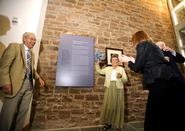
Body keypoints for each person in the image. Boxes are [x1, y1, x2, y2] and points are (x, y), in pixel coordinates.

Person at [121, 31, 178, 131]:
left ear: (137, 39)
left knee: (152, 113)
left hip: (159, 81)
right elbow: (149, 66)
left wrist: (128, 61)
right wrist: (133, 61)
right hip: (166, 80)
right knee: (163, 112)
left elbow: (136, 68)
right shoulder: (152, 46)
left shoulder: (142, 45)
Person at [0, 32, 45, 131]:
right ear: (24, 38)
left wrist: (38, 78)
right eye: (31, 39)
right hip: (15, 85)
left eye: (34, 40)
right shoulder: (14, 47)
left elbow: (31, 69)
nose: (33, 42)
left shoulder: (31, 54)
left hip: (29, 87)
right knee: (8, 114)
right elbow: (4, 66)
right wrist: (5, 82)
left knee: (23, 113)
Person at [96, 54, 128, 131]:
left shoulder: (121, 69)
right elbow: (99, 71)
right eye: (113, 60)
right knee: (109, 106)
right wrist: (97, 64)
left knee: (118, 106)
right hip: (109, 88)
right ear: (111, 61)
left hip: (119, 88)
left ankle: (118, 126)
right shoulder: (107, 68)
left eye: (116, 60)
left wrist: (121, 77)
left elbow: (125, 80)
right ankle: (108, 123)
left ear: (118, 62)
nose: (114, 61)